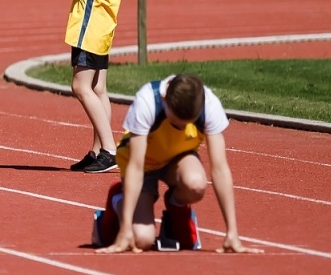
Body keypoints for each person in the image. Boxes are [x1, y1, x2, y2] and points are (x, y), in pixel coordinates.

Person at [96, 73, 254, 254]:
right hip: (144, 164)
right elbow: (136, 166)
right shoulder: (148, 100)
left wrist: (232, 232)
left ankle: (174, 210)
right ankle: (118, 198)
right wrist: (125, 229)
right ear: (165, 99)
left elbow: (220, 168)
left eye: (186, 124)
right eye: (174, 122)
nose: (180, 128)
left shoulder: (209, 104)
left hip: (178, 158)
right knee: (142, 239)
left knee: (195, 184)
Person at [61, 0, 127, 174]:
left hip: (90, 28)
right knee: (99, 89)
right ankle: (98, 150)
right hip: (103, 28)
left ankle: (110, 150)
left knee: (81, 87)